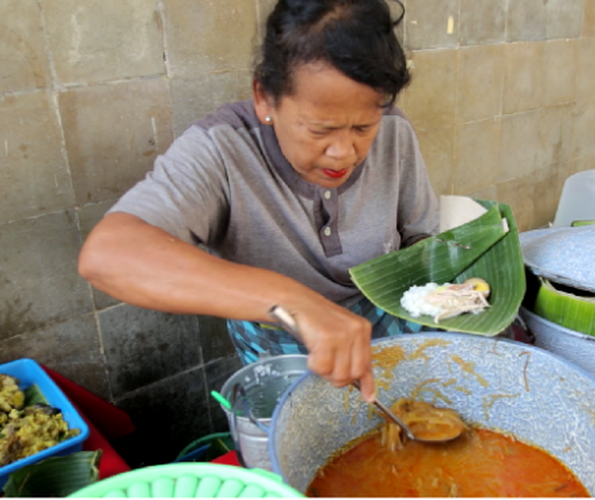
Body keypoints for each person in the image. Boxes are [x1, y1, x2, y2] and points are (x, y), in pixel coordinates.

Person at [78, 0, 439, 402]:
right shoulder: (221, 150)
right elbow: (107, 256)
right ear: (265, 98)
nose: (344, 152)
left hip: (385, 323)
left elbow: (422, 239)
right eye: (320, 129)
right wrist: (292, 302)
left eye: (362, 126)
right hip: (279, 336)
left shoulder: (394, 132)